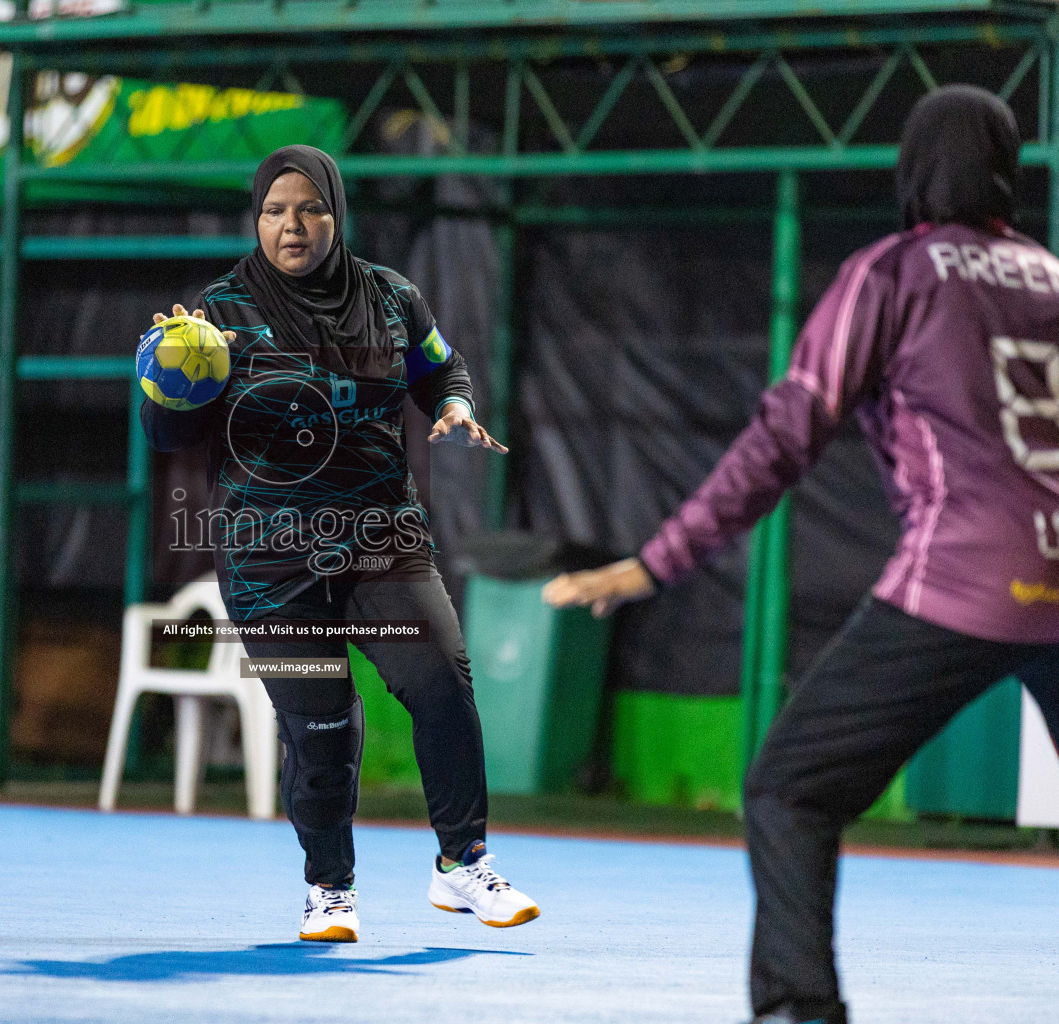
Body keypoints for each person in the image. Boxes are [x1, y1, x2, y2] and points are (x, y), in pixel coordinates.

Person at [545, 85, 1059, 1024]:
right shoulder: (1055, 276)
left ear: (912, 169)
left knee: (789, 788)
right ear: (1006, 173)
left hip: (960, 579)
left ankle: (798, 1009)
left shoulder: (894, 274)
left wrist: (655, 562)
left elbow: (783, 440)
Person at [143, 145, 539, 944]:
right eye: (274, 211)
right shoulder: (213, 314)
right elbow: (166, 433)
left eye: (309, 208)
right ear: (256, 220)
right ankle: (329, 887)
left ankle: (462, 863)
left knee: (442, 680)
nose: (292, 225)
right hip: (267, 560)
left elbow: (440, 367)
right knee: (320, 729)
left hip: (380, 537)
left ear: (336, 212)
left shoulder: (393, 297)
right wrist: (170, 374)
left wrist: (456, 405)